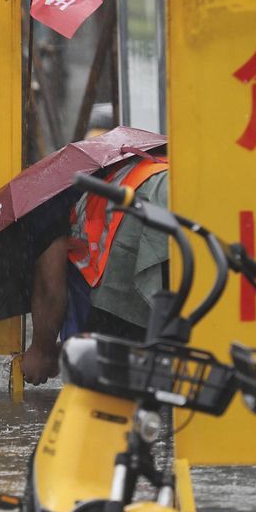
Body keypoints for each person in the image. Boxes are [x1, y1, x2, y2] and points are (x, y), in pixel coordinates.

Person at [20, 155, 169, 385]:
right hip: (173, 190)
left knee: (105, 378)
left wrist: (41, 350)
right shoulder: (97, 169)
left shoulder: (42, 201)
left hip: (139, 214)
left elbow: (50, 289)